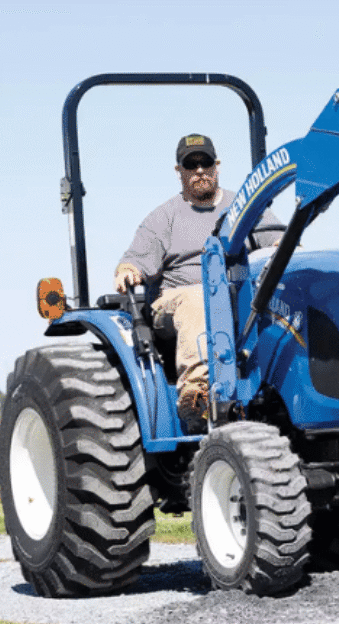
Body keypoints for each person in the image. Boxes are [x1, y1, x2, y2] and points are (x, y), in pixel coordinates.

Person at [114, 134, 280, 429]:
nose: (200, 170)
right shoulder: (164, 217)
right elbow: (136, 259)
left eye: (205, 162)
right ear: (179, 171)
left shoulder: (244, 206)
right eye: (191, 164)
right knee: (199, 296)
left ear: (217, 165)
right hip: (176, 302)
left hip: (240, 299)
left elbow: (278, 242)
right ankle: (196, 395)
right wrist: (128, 269)